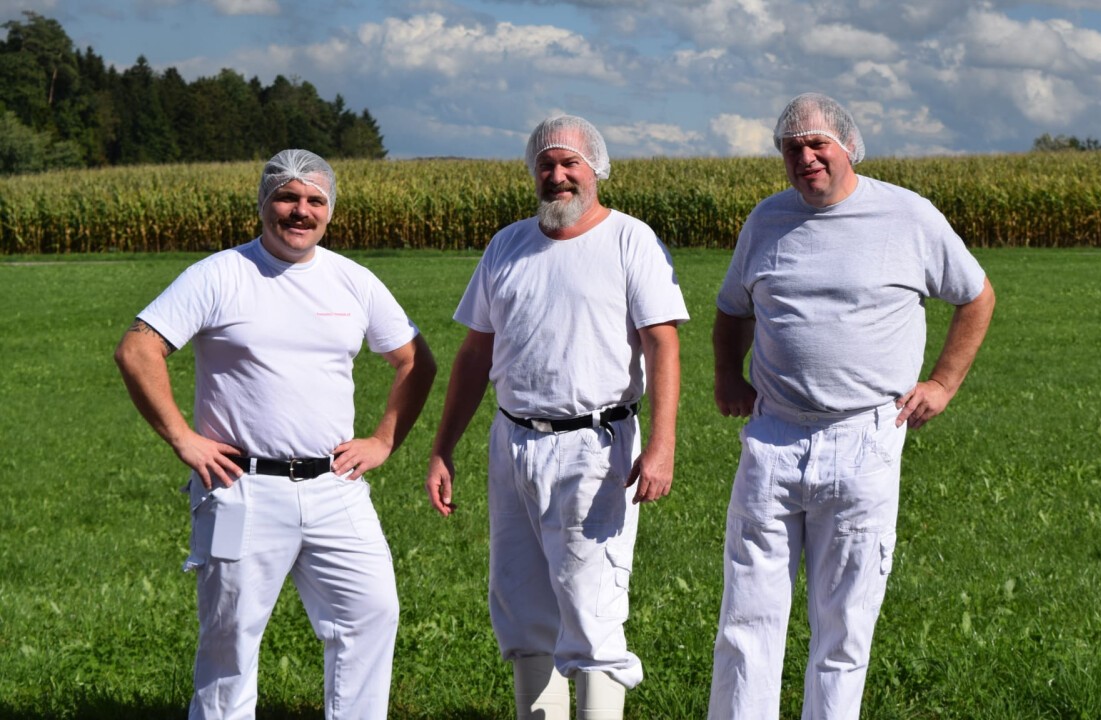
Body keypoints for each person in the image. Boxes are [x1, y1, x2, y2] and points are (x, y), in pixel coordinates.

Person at [114, 149, 436, 720]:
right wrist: (183, 439)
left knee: (372, 614)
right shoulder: (221, 273)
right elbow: (139, 350)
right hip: (240, 488)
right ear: (264, 203)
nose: (300, 211)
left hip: (335, 486)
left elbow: (415, 360)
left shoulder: (352, 281)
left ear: (330, 210)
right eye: (287, 197)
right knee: (229, 638)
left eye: (315, 200)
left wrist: (383, 440)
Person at [707, 93, 996, 719]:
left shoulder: (907, 216)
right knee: (747, 620)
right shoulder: (767, 220)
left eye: (817, 145)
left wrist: (943, 384)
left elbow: (976, 296)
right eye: (792, 148)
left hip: (865, 439)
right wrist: (728, 373)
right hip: (773, 439)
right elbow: (733, 308)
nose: (805, 157)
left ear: (848, 147)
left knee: (844, 624)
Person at [424, 115, 687, 720]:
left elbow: (662, 343)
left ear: (596, 170)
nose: (558, 175)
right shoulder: (507, 245)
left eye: (571, 163)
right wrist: (444, 447)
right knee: (520, 602)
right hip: (512, 441)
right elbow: (475, 352)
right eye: (546, 164)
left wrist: (663, 444)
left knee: (591, 606)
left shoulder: (629, 240)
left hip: (595, 446)